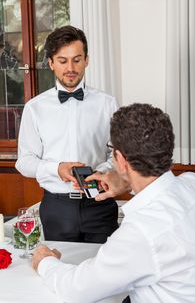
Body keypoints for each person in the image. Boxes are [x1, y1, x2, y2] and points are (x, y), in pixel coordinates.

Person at [32, 103, 195, 303]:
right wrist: (128, 184)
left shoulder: (142, 232)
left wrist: (45, 262)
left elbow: (75, 289)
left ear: (120, 160)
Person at [15, 25, 119, 243]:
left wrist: (98, 172)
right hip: (56, 209)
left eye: (77, 59)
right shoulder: (35, 108)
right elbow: (24, 162)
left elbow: (117, 156)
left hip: (99, 204)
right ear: (51, 63)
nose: (70, 67)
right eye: (63, 61)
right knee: (59, 270)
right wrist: (57, 169)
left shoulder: (107, 104)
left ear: (87, 60)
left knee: (105, 273)